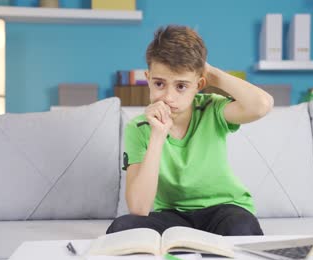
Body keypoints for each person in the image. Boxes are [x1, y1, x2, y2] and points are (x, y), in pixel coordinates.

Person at [106, 25, 273, 236]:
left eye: (181, 86)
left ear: (199, 84)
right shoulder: (138, 128)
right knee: (122, 228)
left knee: (241, 226)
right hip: (172, 216)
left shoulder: (212, 108)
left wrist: (209, 71)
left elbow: (262, 105)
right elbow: (139, 208)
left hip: (224, 210)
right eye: (159, 84)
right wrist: (157, 136)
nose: (168, 96)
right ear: (148, 79)